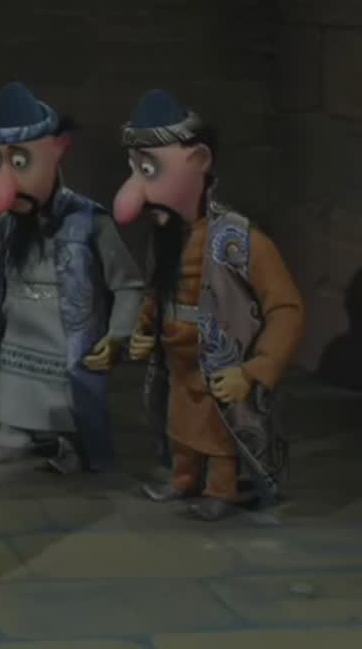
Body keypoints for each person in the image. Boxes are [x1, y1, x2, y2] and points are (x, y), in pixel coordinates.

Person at [115, 89, 304, 521]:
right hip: (177, 361)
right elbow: (157, 290)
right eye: (135, 168)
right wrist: (145, 330)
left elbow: (286, 310)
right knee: (180, 422)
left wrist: (254, 371)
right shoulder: (165, 239)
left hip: (221, 360)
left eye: (149, 169)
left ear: (199, 160)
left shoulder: (240, 239)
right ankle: (184, 478)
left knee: (220, 429)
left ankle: (223, 489)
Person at [0, 82, 144, 474]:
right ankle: (16, 437)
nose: (3, 179)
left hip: (65, 332)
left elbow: (128, 284)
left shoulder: (89, 220)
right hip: (19, 328)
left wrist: (118, 335)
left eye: (19, 161)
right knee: (16, 384)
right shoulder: (9, 223)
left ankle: (72, 445)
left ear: (56, 151)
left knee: (68, 394)